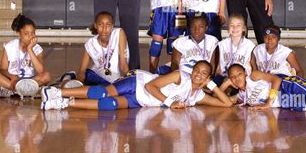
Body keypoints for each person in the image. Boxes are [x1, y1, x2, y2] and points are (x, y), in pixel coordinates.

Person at [41, 60, 232, 111]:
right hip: (138, 82)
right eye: (197, 70)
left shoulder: (197, 96)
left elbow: (226, 104)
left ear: (208, 77)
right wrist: (169, 102)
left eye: (203, 74)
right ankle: (56, 91)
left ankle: (63, 103)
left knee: (110, 106)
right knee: (103, 93)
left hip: (141, 100)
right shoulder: (180, 76)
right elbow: (151, 87)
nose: (198, 75)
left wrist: (213, 86)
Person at [0, 13, 51, 98]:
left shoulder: (37, 48)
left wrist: (30, 49)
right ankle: (24, 91)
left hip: (29, 80)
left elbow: (41, 71)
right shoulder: (9, 46)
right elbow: (2, 70)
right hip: (12, 80)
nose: (30, 36)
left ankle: (12, 91)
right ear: (19, 34)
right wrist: (12, 76)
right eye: (26, 33)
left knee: (47, 76)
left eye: (33, 33)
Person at [74, 11, 129, 87]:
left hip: (115, 82)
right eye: (101, 25)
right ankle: (69, 77)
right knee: (86, 75)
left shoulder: (118, 33)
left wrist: (127, 86)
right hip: (98, 79)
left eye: (108, 25)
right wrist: (79, 86)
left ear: (112, 26)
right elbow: (82, 70)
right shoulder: (90, 44)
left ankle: (70, 76)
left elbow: (124, 67)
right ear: (95, 26)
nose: (104, 29)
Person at [213, 13, 255, 86]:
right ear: (228, 28)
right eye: (232, 25)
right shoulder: (221, 44)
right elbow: (218, 67)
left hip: (242, 78)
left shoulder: (250, 45)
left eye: (238, 25)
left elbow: (252, 67)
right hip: (225, 76)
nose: (235, 28)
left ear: (243, 28)